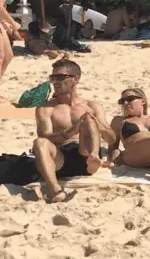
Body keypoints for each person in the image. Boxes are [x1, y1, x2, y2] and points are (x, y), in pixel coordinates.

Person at [32, 59, 118, 203]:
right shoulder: (46, 108)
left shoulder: (92, 105)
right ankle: (56, 191)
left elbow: (111, 139)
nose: (56, 82)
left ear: (75, 79)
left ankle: (94, 158)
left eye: (61, 77)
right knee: (39, 142)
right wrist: (70, 132)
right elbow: (44, 136)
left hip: (84, 154)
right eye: (53, 78)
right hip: (60, 158)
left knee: (88, 120)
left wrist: (97, 125)